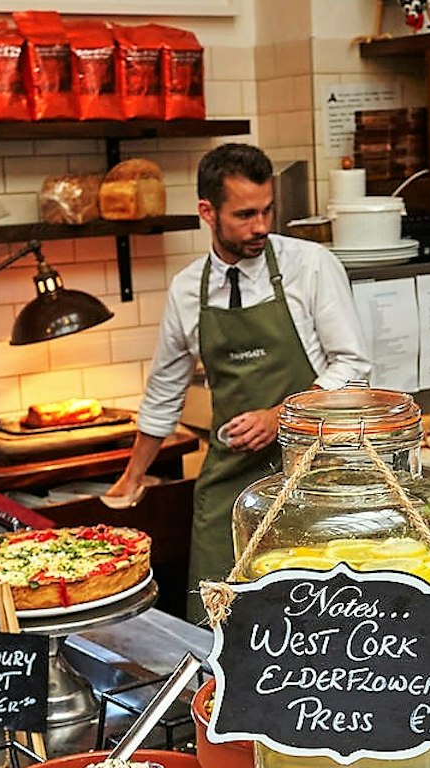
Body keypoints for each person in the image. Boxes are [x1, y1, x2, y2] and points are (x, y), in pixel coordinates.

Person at [105, 143, 370, 620]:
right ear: (207, 212)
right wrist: (132, 477)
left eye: (268, 210)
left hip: (310, 474)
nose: (261, 226)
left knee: (307, 619)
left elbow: (353, 366)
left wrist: (280, 416)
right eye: (245, 214)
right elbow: (164, 392)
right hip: (230, 478)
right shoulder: (188, 289)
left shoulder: (310, 266)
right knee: (217, 620)